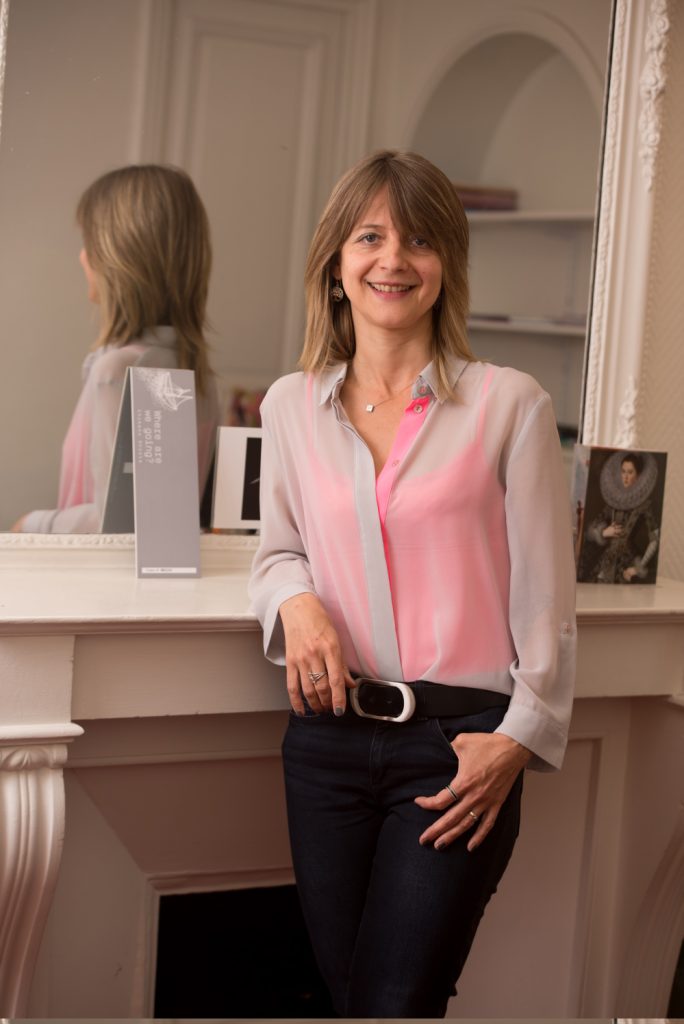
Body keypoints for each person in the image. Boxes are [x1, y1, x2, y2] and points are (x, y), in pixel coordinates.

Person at [248, 150, 576, 1017]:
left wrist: (518, 738)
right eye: (371, 236)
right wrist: (297, 599)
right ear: (337, 261)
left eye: (421, 239)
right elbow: (277, 550)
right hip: (324, 744)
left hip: (457, 749)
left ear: (447, 266)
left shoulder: (512, 405)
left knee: (395, 1001)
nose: (394, 259)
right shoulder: (289, 406)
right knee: (354, 995)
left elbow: (548, 597)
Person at [13, 164, 221, 533]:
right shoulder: (195, 372)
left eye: (89, 244)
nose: (81, 257)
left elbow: (125, 524)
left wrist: (31, 524)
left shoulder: (120, 370)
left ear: (118, 260)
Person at [584, 451, 660, 583]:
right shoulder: (615, 501)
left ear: (638, 476)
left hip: (627, 562)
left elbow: (655, 538)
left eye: (630, 472)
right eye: (623, 472)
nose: (625, 477)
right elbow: (591, 530)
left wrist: (637, 568)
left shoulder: (644, 505)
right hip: (606, 560)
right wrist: (604, 532)